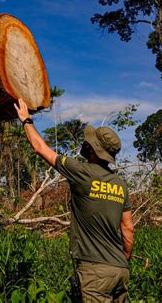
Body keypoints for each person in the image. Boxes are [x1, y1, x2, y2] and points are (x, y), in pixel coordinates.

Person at [14, 98, 134, 302]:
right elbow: (128, 229)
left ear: (93, 150)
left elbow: (40, 148)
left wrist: (26, 121)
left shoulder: (81, 171)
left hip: (94, 272)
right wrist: (123, 260)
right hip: (120, 270)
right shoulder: (120, 184)